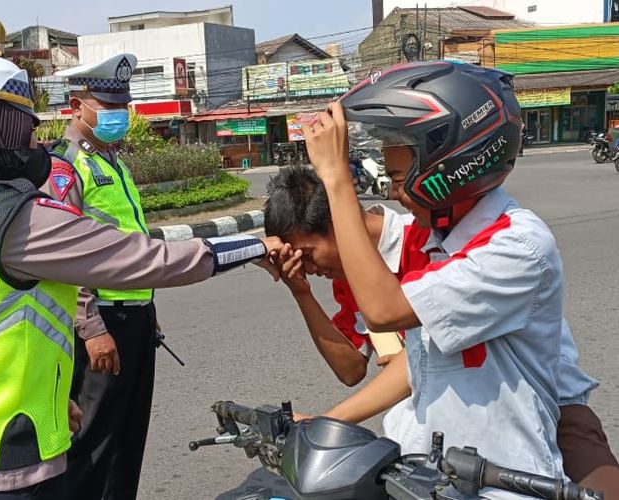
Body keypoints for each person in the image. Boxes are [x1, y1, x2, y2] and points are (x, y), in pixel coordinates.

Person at [0, 54, 281, 500]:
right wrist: (254, 245)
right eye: (22, 129)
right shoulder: (12, 221)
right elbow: (149, 259)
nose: (32, 143)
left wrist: (54, 401)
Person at [294, 61, 581, 492]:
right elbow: (418, 365)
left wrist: (337, 180)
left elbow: (383, 310)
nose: (391, 193)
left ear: (449, 166)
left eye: (396, 176)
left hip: (501, 482)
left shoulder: (514, 246)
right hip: (430, 473)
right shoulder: (434, 239)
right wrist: (329, 422)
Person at [264, 165, 619, 495]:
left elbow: (409, 351)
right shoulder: (353, 276)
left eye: (308, 254)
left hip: (547, 403)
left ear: (340, 222)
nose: (308, 268)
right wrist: (302, 293)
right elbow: (353, 368)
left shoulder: (431, 242)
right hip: (456, 412)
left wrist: (329, 422)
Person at [40, 53, 156, 500]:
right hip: (102, 325)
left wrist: (149, 308)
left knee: (129, 438)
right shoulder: (66, 166)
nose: (117, 117)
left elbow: (131, 242)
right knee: (92, 444)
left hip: (135, 316)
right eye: (107, 108)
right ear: (76, 107)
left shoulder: (112, 162)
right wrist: (91, 328)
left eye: (121, 108)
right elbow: (66, 254)